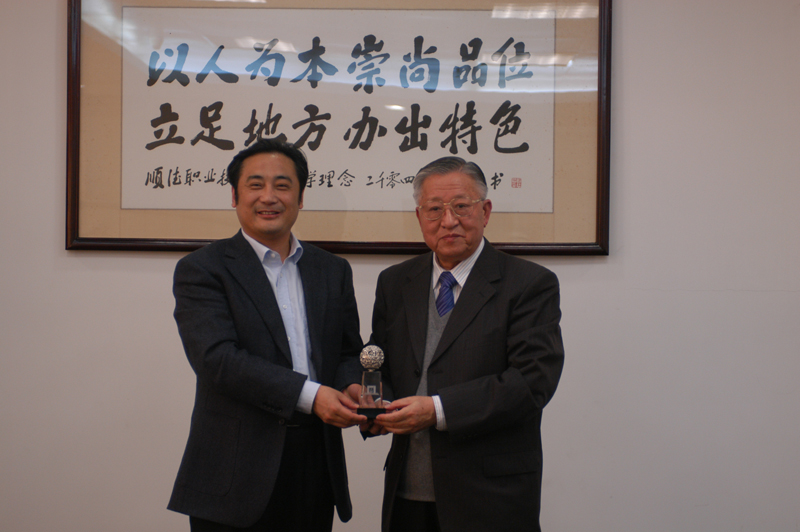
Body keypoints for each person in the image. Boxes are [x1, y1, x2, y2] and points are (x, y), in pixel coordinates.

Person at [167, 139, 366, 532]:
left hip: (315, 462)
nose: (269, 197)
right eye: (255, 185)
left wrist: (352, 385)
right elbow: (217, 360)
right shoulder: (203, 268)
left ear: (300, 197)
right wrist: (312, 395)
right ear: (234, 196)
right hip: (234, 470)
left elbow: (347, 350)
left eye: (283, 185)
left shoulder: (332, 269)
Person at [367, 156, 565, 532]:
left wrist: (437, 410)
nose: (448, 220)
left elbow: (532, 382)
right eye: (434, 209)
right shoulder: (395, 281)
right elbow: (379, 361)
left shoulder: (529, 283)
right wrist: (373, 404)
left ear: (485, 211)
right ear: (419, 216)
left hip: (490, 497)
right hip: (408, 490)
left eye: (461, 206)